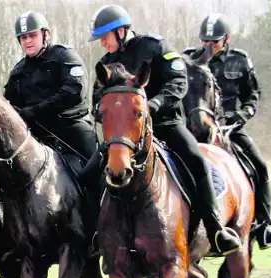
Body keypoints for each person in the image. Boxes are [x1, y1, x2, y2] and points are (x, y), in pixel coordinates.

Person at [82, 4, 241, 257]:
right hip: (126, 137)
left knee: (197, 162)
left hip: (166, 125)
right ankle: (97, 234)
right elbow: (97, 102)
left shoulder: (155, 47)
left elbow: (178, 82)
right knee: (88, 175)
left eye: (104, 37)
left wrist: (153, 106)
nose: (102, 43)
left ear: (121, 31)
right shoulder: (106, 63)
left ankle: (215, 229)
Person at [183, 14, 271, 249]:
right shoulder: (187, 60)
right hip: (192, 129)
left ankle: (264, 226)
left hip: (229, 128)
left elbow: (252, 96)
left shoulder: (240, 61)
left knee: (260, 165)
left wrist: (242, 115)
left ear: (226, 39)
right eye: (205, 41)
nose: (209, 46)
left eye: (214, 42)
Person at [3, 11, 97, 162]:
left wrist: (36, 110)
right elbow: (9, 104)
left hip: (70, 125)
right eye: (23, 37)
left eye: (32, 35)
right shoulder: (17, 71)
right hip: (34, 132)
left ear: (45, 35)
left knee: (96, 161)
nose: (27, 41)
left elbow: (74, 91)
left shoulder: (64, 55)